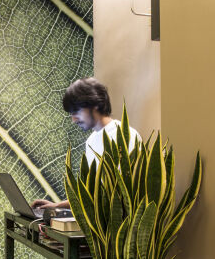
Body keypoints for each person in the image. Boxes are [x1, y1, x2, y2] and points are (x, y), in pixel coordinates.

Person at [31, 77, 141, 210]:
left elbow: (119, 195)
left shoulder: (124, 135)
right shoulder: (91, 141)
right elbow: (92, 195)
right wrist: (56, 206)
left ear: (94, 104)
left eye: (76, 112)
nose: (73, 120)